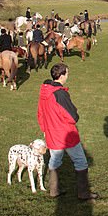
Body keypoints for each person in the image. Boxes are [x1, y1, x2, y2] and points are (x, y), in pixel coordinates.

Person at [37, 63, 99, 201]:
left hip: (51, 134)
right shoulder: (60, 94)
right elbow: (72, 117)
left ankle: (54, 190)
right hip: (65, 134)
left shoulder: (45, 92)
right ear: (62, 75)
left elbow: (40, 114)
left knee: (55, 160)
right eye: (67, 73)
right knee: (80, 161)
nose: (68, 75)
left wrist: (45, 130)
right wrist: (75, 114)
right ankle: (83, 193)